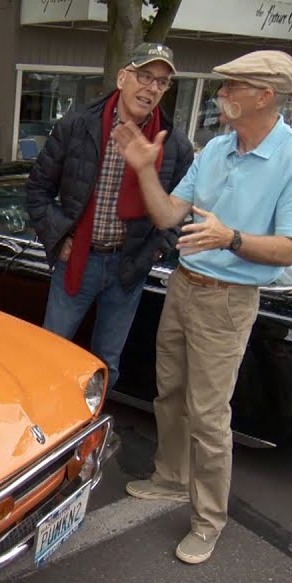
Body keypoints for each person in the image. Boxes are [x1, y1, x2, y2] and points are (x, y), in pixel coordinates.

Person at [113, 50, 292, 564]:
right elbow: (167, 214)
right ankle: (170, 477)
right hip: (185, 286)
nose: (220, 94)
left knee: (208, 416)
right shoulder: (216, 150)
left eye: (232, 86)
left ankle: (208, 521)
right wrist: (143, 169)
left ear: (264, 96)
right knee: (170, 392)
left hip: (228, 301)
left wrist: (229, 238)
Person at [26, 43, 194, 391]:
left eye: (161, 82)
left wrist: (150, 255)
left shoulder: (174, 145)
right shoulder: (77, 126)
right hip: (78, 261)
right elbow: (37, 189)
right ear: (122, 77)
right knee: (50, 354)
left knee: (108, 364)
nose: (151, 88)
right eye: (145, 76)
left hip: (127, 268)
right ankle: (44, 430)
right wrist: (59, 239)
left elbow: (179, 217)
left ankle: (92, 434)